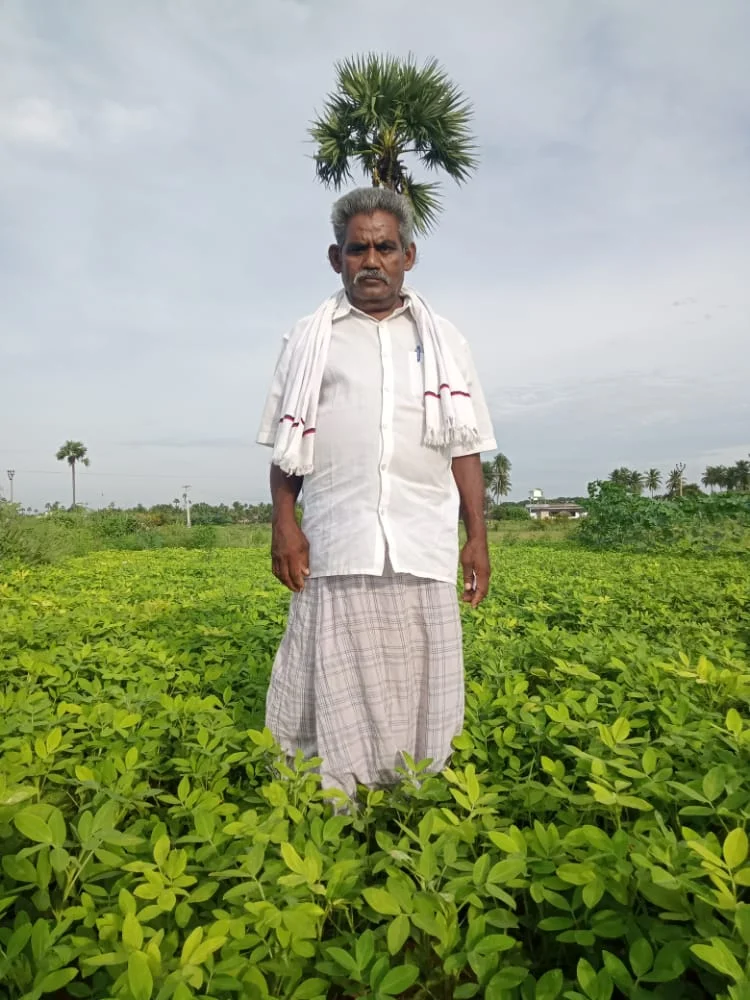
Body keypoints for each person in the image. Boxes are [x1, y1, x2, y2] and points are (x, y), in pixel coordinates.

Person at [256, 187, 497, 797]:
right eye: (357, 248)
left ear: (408, 255)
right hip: (339, 536)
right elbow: (287, 449)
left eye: (384, 247)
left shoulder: (445, 341)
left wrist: (478, 538)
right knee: (332, 672)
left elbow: (463, 446)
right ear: (335, 258)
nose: (372, 260)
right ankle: (332, 792)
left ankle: (413, 793)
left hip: (422, 535)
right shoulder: (310, 340)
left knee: (420, 675)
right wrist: (285, 524)